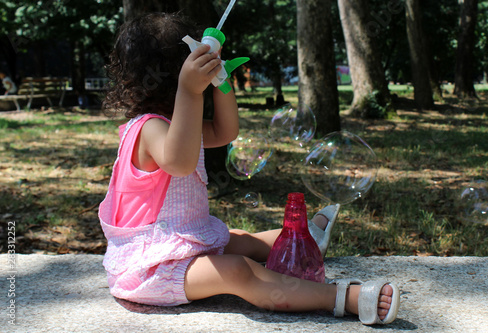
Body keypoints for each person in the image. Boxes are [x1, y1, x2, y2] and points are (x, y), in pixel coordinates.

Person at [99, 12, 400, 325]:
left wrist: (222, 83)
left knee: (238, 239)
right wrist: (190, 91)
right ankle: (340, 297)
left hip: (182, 243)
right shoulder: (149, 129)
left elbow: (225, 131)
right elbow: (180, 162)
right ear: (177, 75)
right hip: (152, 268)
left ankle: (306, 238)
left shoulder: (176, 125)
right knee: (238, 270)